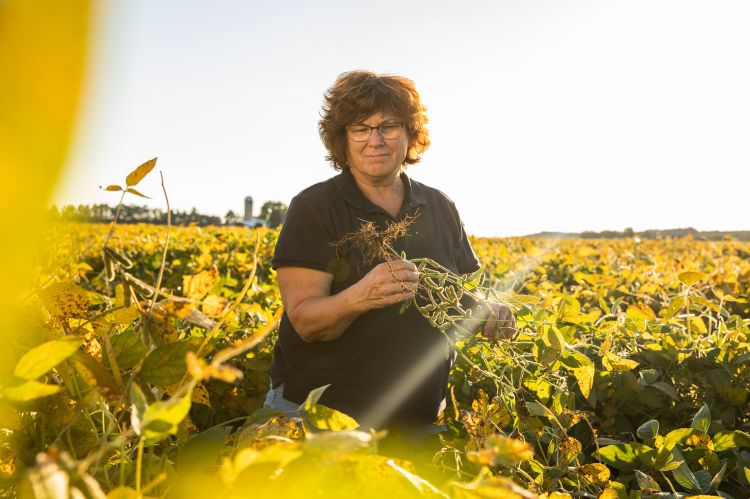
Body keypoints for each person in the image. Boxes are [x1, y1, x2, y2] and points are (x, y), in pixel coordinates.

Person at [264, 70, 515, 431]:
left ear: (410, 134)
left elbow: (454, 295)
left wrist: (486, 311)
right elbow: (306, 322)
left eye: (389, 127)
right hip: (322, 418)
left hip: (416, 418)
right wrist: (361, 296)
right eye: (360, 129)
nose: (375, 140)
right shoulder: (316, 207)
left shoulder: (439, 206)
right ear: (343, 140)